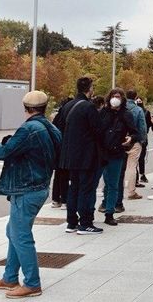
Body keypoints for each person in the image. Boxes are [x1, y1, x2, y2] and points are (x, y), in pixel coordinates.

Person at [0, 90, 61, 298]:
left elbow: (3, 153)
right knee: (13, 231)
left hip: (27, 188)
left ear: (25, 108)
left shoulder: (29, 129)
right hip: (40, 185)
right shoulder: (50, 127)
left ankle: (32, 283)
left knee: (21, 235)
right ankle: (9, 277)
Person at [55, 77, 103, 235]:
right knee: (86, 189)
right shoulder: (88, 107)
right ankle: (85, 223)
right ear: (89, 89)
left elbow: (58, 127)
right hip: (86, 156)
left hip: (69, 156)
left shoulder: (67, 106)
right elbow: (98, 130)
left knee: (73, 188)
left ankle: (71, 222)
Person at [97, 89, 135, 226]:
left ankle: (109, 212)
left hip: (116, 152)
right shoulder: (103, 113)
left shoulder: (126, 114)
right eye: (113, 96)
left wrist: (130, 139)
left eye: (118, 96)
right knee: (98, 182)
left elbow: (134, 132)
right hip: (101, 153)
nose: (115, 99)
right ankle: (93, 210)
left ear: (122, 99)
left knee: (113, 184)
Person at [121, 90, 147, 201]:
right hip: (134, 141)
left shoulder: (121, 108)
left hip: (121, 140)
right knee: (131, 167)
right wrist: (142, 140)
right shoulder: (138, 110)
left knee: (120, 167)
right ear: (136, 97)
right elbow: (142, 126)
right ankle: (131, 192)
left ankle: (117, 190)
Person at [49, 96, 74, 209]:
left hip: (57, 148)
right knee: (65, 174)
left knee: (58, 175)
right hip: (66, 148)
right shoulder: (69, 117)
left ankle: (55, 199)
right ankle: (64, 200)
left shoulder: (58, 117)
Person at [136, 98, 150, 187]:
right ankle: (141, 175)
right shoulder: (145, 112)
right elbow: (147, 125)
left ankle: (139, 175)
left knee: (138, 158)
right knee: (141, 157)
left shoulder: (136, 111)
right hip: (143, 137)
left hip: (137, 137)